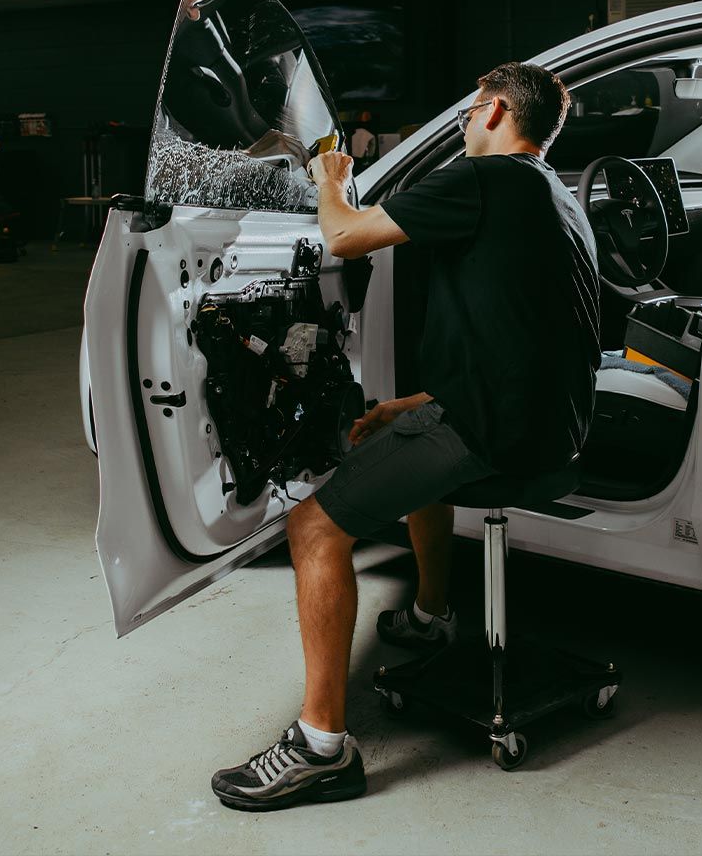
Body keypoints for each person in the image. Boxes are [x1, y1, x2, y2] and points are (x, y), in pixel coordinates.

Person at [211, 62, 601, 811]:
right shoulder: (555, 193)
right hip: (554, 432)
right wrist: (416, 401)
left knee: (313, 524)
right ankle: (429, 616)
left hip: (492, 433)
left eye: (467, 110)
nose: (462, 122)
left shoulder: (480, 180)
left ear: (492, 112)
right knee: (409, 437)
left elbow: (347, 237)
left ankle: (321, 746)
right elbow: (526, 332)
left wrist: (331, 176)